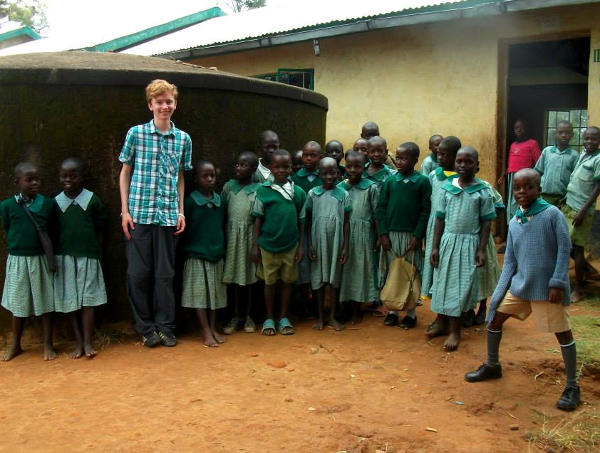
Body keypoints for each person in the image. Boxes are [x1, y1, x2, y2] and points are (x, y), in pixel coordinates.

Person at [465, 168, 580, 412]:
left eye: (528, 187)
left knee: (562, 333)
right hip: (521, 286)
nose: (522, 192)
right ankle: (493, 365)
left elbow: (564, 248)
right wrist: (497, 295)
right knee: (494, 319)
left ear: (538, 189)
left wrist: (558, 282)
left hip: (547, 289)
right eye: (517, 188)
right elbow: (510, 262)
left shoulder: (552, 215)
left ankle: (572, 386)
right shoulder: (515, 220)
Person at [119, 79, 192, 348]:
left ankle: (166, 327)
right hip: (139, 215)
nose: (164, 106)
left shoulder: (183, 139)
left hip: (167, 217)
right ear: (150, 105)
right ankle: (146, 328)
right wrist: (124, 211)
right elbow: (125, 172)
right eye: (159, 102)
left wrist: (181, 212)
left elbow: (181, 177)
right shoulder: (136, 134)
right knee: (138, 275)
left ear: (175, 104)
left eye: (168, 101)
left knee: (165, 275)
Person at [428, 147, 495, 351]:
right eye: (459, 161)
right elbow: (440, 219)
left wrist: (481, 249)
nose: (463, 165)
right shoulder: (448, 188)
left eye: (468, 162)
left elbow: (486, 223)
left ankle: (455, 331)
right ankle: (441, 322)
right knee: (443, 284)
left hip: (469, 244)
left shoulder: (482, 191)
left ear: (477, 165)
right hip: (448, 242)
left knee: (460, 287)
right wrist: (435, 246)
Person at [1, 162, 57, 361]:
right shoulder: (7, 206)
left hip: (40, 260)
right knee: (18, 304)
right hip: (17, 260)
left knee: (46, 303)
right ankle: (16, 344)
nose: (35, 183)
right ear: (17, 182)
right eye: (29, 179)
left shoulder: (48, 204)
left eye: (37, 179)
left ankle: (48, 344)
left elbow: (52, 231)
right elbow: (7, 230)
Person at [54, 157, 107, 358]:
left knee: (88, 300)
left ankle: (87, 342)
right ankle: (77, 341)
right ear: (59, 177)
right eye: (64, 176)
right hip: (65, 259)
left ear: (82, 177)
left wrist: (99, 253)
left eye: (74, 176)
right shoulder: (56, 203)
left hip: (89, 258)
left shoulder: (92, 201)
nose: (69, 179)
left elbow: (101, 228)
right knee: (70, 301)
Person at [252, 149, 306, 336]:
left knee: (287, 282)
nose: (282, 170)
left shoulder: (298, 193)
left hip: (290, 245)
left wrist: (300, 246)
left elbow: (301, 220)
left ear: (291, 168)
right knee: (269, 282)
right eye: (277, 166)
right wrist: (255, 245)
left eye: (286, 166)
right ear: (271, 168)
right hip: (267, 245)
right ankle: (269, 317)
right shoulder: (263, 191)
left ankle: (283, 317)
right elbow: (257, 219)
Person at [377, 142, 431, 328]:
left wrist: (418, 235)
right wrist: (383, 233)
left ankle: (411, 312)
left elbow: (425, 210)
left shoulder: (422, 182)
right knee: (393, 271)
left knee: (410, 272)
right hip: (391, 235)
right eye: (397, 157)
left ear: (415, 160)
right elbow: (381, 208)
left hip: (411, 236)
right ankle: (392, 310)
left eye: (404, 158)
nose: (399, 161)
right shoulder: (390, 181)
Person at [181, 160, 227, 347]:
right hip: (196, 255)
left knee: (214, 295)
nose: (209, 179)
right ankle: (205, 329)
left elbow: (222, 226)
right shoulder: (190, 202)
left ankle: (212, 326)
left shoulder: (220, 201)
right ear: (196, 178)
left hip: (216, 255)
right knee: (199, 294)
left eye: (212, 176)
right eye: (205, 176)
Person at [303, 157, 351, 331]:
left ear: (338, 173)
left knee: (334, 279)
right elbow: (307, 221)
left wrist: (345, 246)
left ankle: (332, 316)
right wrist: (309, 245)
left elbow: (346, 222)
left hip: (337, 242)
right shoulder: (313, 194)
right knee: (318, 279)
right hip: (317, 241)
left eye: (333, 172)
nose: (329, 176)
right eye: (325, 173)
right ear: (319, 173)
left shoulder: (343, 194)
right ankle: (320, 317)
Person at [222, 152, 260, 334]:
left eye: (243, 165)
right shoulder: (228, 187)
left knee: (250, 279)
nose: (238, 168)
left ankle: (250, 316)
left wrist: (256, 244)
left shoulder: (259, 189)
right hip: (231, 239)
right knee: (233, 280)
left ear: (253, 169)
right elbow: (221, 213)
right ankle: (235, 316)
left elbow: (260, 218)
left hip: (249, 237)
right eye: (237, 164)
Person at [338, 151, 380, 324]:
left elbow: (377, 214)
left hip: (363, 234)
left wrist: (378, 235)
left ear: (365, 167)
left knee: (360, 270)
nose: (353, 170)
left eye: (357, 166)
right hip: (344, 234)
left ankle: (357, 308)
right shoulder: (340, 187)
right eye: (349, 166)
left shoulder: (371, 187)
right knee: (345, 270)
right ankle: (345, 306)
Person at [562, 126, 600, 302]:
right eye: (587, 138)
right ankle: (586, 270)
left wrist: (583, 211)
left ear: (599, 141)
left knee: (577, 248)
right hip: (570, 206)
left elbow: (598, 187)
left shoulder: (598, 159)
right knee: (566, 243)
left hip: (581, 210)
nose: (589, 142)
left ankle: (578, 288)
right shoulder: (583, 155)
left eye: (593, 139)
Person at [421, 136, 461, 302]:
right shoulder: (433, 176)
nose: (440, 158)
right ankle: (436, 298)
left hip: (451, 229)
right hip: (434, 226)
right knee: (434, 260)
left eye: (444, 155)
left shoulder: (460, 180)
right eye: (438, 154)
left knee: (449, 264)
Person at [291, 141, 323, 295]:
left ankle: (316, 301)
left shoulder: (324, 177)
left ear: (320, 157)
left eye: (313, 155)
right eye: (306, 155)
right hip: (302, 229)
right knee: (302, 265)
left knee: (317, 263)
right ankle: (302, 301)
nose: (308, 158)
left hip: (320, 228)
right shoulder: (294, 179)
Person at [498, 119, 541, 224]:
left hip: (525, 179)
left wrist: (534, 179)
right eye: (516, 128)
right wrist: (503, 176)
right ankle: (513, 227)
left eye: (521, 127)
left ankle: (523, 225)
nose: (519, 130)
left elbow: (539, 163)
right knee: (511, 205)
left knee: (522, 202)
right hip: (512, 178)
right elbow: (511, 165)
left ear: (526, 129)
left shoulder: (532, 143)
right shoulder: (513, 145)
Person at [534, 120, 578, 206]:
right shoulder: (547, 151)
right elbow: (537, 172)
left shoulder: (574, 155)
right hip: (544, 196)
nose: (564, 135)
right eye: (560, 132)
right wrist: (536, 191)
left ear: (572, 135)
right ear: (555, 134)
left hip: (563, 199)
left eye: (567, 133)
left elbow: (575, 179)